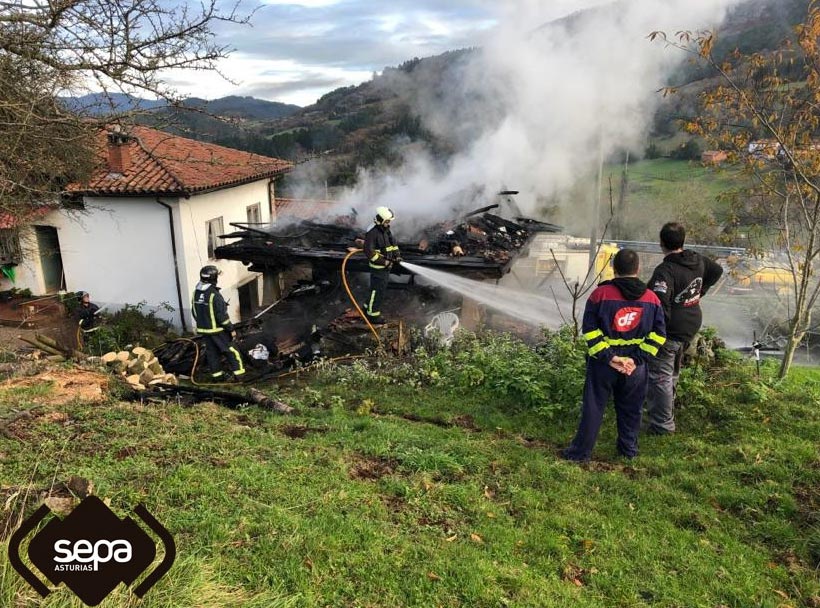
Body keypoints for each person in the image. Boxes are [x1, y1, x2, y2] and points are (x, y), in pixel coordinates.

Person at [561, 249, 666, 462]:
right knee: (632, 410)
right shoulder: (652, 299)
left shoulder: (600, 295)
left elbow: (590, 331)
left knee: (594, 408)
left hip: (603, 365)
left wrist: (611, 358)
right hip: (635, 369)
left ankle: (579, 454)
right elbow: (659, 336)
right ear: (638, 269)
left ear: (614, 268)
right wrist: (634, 360)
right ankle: (628, 451)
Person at [645, 222, 724, 434]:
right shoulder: (696, 259)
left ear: (661, 243)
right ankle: (666, 413)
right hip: (691, 325)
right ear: (683, 240)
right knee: (671, 373)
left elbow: (660, 304)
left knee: (660, 376)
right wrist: (699, 293)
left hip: (672, 329)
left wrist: (658, 331)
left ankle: (662, 426)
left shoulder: (665, 271)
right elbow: (717, 270)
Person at [191, 265, 245, 381]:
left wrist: (204, 323)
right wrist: (231, 329)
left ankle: (217, 377)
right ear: (214, 278)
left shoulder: (196, 292)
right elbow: (222, 317)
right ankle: (240, 376)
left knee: (212, 354)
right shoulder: (214, 294)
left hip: (204, 331)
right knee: (231, 351)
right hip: (218, 331)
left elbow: (194, 312)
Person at [363, 206, 400, 324]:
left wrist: (397, 255)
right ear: (381, 220)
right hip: (378, 268)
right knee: (377, 291)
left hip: (385, 268)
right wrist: (384, 262)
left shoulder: (386, 230)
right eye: (387, 221)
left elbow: (393, 244)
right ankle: (373, 315)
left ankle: (366, 307)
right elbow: (369, 252)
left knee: (376, 289)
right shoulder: (372, 233)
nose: (389, 224)